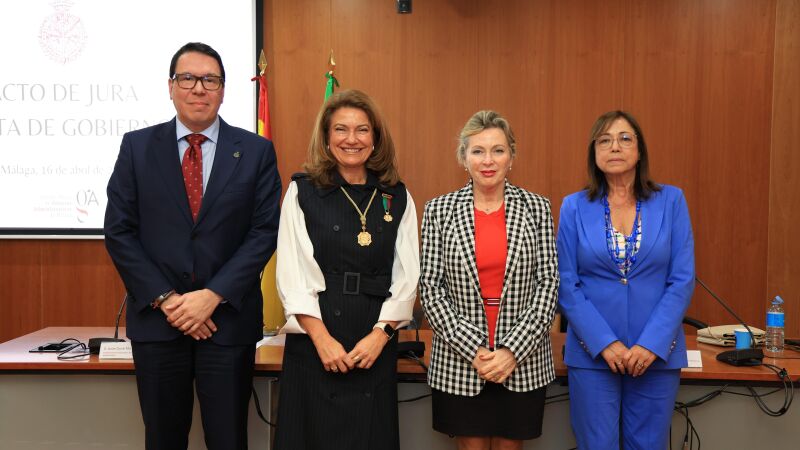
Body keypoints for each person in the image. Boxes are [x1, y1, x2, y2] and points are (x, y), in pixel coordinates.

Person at [104, 42, 281, 449]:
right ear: (171, 87)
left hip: (227, 324)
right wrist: (167, 299)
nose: (199, 88)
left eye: (210, 80)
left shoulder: (255, 151)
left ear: (223, 90)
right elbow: (119, 231)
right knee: (163, 438)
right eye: (188, 78)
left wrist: (212, 296)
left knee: (228, 439)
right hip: (158, 323)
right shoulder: (137, 147)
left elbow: (264, 231)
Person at [273, 89, 419, 450]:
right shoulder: (303, 191)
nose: (351, 139)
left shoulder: (396, 195)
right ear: (326, 137)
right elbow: (292, 272)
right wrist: (322, 340)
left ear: (375, 138)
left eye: (362, 130)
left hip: (374, 339)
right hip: (314, 339)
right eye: (341, 129)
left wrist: (380, 336)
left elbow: (407, 276)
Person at [420, 110, 559, 450]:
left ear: (511, 157)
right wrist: (476, 350)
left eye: (498, 150)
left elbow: (549, 284)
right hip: (460, 361)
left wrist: (511, 351)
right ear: (463, 157)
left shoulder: (537, 208)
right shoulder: (438, 210)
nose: (488, 160)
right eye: (478, 151)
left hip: (523, 361)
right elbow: (430, 289)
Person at [557, 110, 695, 450]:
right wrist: (604, 342)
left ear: (639, 149)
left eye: (624, 138)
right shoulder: (573, 207)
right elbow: (566, 283)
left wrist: (652, 343)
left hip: (655, 354)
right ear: (593, 153)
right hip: (593, 355)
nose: (614, 147)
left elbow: (682, 279)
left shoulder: (672, 201)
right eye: (604, 140)